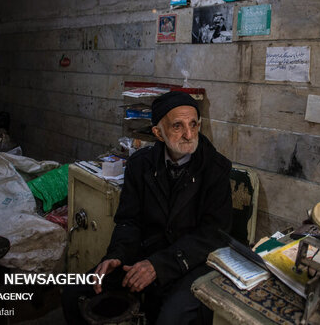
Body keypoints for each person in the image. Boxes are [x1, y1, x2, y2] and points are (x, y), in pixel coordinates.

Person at [62, 91, 233, 325]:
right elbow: (129, 221)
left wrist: (159, 265)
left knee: (170, 318)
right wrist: (117, 255)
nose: (189, 134)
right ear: (157, 133)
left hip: (190, 261)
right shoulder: (139, 164)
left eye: (194, 124)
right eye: (177, 126)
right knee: (76, 292)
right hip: (146, 252)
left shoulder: (216, 168)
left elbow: (213, 234)